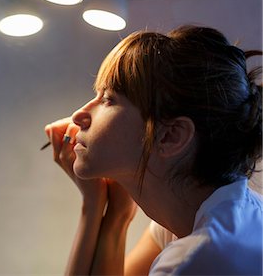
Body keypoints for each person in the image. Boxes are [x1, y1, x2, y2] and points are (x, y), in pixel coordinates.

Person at [44, 25, 262, 275]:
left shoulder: (196, 260)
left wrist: (93, 209)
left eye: (108, 99)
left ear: (171, 136)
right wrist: (110, 213)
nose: (79, 115)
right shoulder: (198, 215)